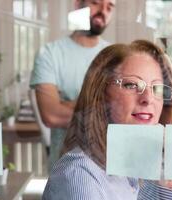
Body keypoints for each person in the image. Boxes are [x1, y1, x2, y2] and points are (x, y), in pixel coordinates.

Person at [42, 40, 172, 200]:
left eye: (157, 88)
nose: (148, 98)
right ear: (102, 93)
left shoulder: (138, 173)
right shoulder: (79, 174)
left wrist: (168, 183)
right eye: (131, 85)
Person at [30, 0, 115, 169]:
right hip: (65, 169)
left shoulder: (116, 57)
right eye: (96, 3)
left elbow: (123, 112)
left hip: (109, 170)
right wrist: (105, 105)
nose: (103, 11)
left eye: (109, 6)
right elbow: (52, 115)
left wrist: (68, 104)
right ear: (77, 5)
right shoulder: (50, 54)